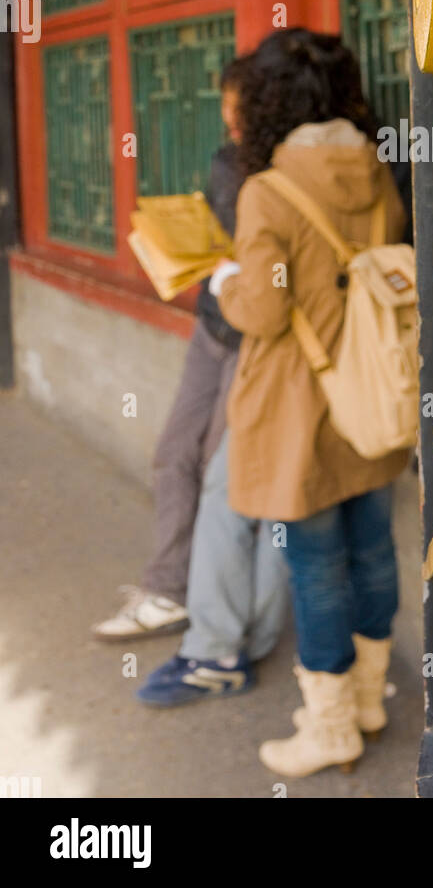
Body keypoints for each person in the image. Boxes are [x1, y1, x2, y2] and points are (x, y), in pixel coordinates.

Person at [212, 29, 410, 777]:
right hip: (371, 392)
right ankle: (366, 698)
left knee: (315, 568)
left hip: (301, 409)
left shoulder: (268, 190)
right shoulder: (374, 168)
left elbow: (263, 311)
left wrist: (222, 285)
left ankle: (329, 728)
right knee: (372, 549)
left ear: (269, 102)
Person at [92, 57, 249, 641]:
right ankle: (166, 590)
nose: (231, 123)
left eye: (241, 112)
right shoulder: (227, 160)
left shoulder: (283, 171)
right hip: (212, 327)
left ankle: (212, 618)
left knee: (217, 470)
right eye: (226, 112)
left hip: (253, 338)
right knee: (173, 452)